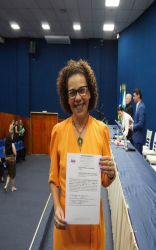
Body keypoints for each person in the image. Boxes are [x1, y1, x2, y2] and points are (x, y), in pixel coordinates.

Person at [49, 59, 116, 250]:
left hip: (92, 220)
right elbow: (53, 178)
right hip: (66, 223)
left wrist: (112, 174)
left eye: (82, 90)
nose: (78, 97)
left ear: (90, 93)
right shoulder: (57, 131)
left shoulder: (102, 130)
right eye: (72, 92)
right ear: (66, 97)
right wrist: (57, 208)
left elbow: (105, 181)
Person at [129, 88, 146, 154]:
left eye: (134, 96)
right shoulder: (138, 106)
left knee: (138, 162)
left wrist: (133, 126)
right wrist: (133, 123)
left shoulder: (141, 107)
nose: (133, 98)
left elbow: (141, 124)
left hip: (139, 138)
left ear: (138, 96)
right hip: (136, 137)